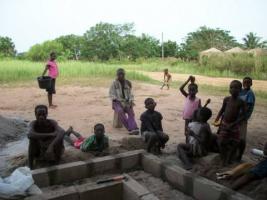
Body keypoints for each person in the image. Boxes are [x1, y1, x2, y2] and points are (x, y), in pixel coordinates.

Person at [214, 80, 247, 166]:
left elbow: (244, 116)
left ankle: (229, 158)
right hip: (224, 124)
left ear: (240, 90)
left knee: (235, 142)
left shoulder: (241, 102)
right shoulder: (226, 99)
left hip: (234, 125)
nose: (233, 89)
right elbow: (222, 109)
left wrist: (235, 123)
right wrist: (217, 118)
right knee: (220, 142)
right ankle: (223, 158)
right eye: (231, 87)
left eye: (236, 88)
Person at [28, 105, 65, 169]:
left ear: (47, 114)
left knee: (59, 139)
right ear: (35, 115)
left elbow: (62, 132)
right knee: (32, 139)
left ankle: (57, 163)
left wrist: (51, 146)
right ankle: (30, 166)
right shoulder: (33, 123)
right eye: (39, 114)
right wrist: (50, 134)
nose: (41, 117)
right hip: (40, 151)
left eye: (43, 114)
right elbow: (30, 134)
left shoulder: (51, 122)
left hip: (52, 150)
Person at [109, 68, 139, 135]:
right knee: (120, 111)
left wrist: (130, 101)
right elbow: (111, 94)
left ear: (124, 74)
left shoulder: (128, 83)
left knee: (131, 112)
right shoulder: (114, 83)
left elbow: (131, 94)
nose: (121, 76)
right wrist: (118, 100)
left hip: (126, 102)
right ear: (117, 75)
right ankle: (130, 128)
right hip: (117, 102)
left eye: (122, 74)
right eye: (119, 74)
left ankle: (134, 128)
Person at [237, 77, 255, 161]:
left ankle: (239, 155)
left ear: (251, 84)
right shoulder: (240, 91)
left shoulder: (250, 94)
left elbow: (246, 108)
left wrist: (239, 118)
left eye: (248, 82)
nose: (246, 84)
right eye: (245, 82)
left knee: (241, 138)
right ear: (242, 83)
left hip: (242, 119)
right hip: (236, 118)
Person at [179, 75, 201, 143]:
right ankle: (187, 144)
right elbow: (181, 88)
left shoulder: (198, 100)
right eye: (190, 90)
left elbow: (200, 109)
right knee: (186, 133)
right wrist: (188, 80)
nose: (191, 91)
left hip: (194, 119)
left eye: (193, 90)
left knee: (193, 132)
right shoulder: (187, 96)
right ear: (188, 91)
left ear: (197, 91)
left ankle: (191, 145)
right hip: (187, 119)